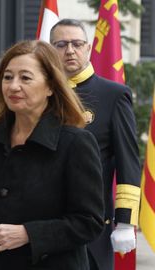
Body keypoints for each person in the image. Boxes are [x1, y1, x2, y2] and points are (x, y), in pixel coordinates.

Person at [0, 40, 104, 269]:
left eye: (25, 78)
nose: (13, 86)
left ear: (50, 87)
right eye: (7, 77)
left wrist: (28, 234)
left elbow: (89, 222)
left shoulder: (75, 144)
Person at [50, 19, 141, 270]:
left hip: (93, 225)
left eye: (77, 44)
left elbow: (128, 161)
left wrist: (124, 221)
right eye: (61, 44)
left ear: (88, 48)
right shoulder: (42, 93)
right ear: (50, 49)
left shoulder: (113, 94)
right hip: (44, 224)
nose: (70, 50)